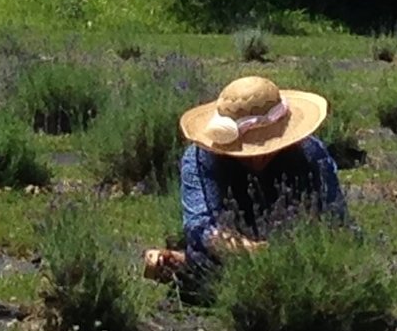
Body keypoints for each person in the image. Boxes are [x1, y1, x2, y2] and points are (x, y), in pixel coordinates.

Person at [144, 74, 348, 285]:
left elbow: (336, 217)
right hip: (233, 248)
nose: (259, 154)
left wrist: (298, 249)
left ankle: (182, 265)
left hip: (299, 243)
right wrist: (258, 253)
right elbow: (202, 227)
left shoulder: (310, 152)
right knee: (205, 261)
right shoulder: (200, 159)